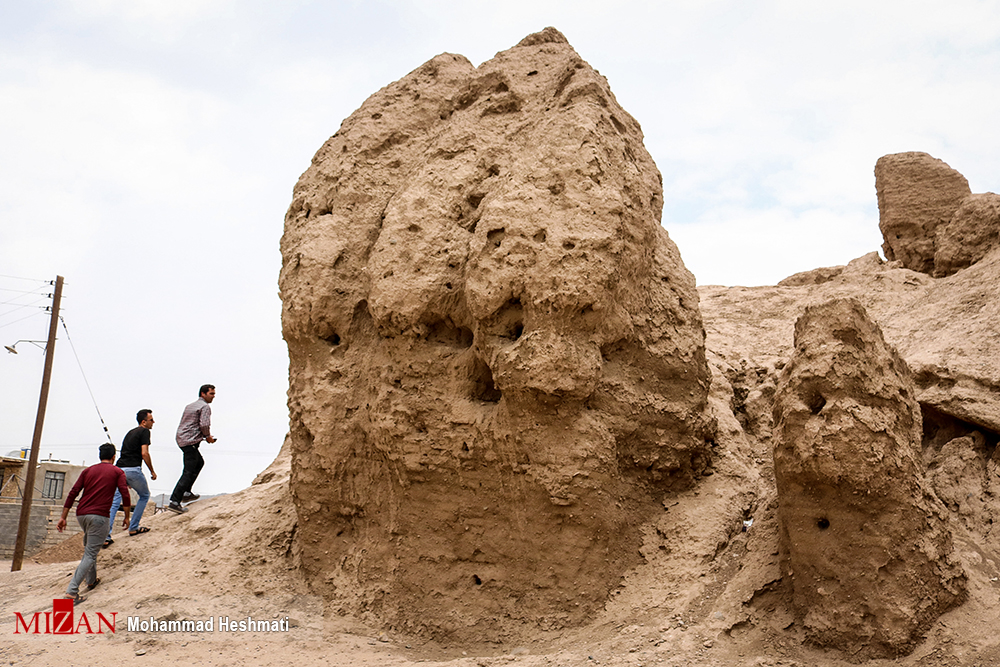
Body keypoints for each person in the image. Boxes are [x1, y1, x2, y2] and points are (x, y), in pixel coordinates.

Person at [57, 443, 130, 604]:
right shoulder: (118, 472)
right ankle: (71, 593)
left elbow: (73, 492)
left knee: (91, 548)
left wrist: (63, 517)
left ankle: (91, 580)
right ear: (113, 457)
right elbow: (125, 494)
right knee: (90, 553)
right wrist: (126, 516)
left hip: (81, 514)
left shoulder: (88, 471)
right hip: (99, 517)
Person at [105, 408, 157, 546]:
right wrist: (152, 471)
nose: (154, 422)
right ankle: (133, 527)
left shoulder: (130, 432)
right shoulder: (145, 431)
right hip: (133, 469)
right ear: (144, 421)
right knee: (145, 495)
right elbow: (144, 453)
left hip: (119, 469)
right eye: (151, 420)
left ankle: (106, 536)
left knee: (115, 501)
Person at [168, 384, 216, 514]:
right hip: (190, 441)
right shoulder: (205, 407)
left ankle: (186, 493)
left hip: (182, 438)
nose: (213, 396)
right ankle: (175, 501)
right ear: (203, 394)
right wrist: (208, 437)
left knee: (199, 462)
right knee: (189, 470)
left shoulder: (190, 405)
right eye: (211, 394)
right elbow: (204, 424)